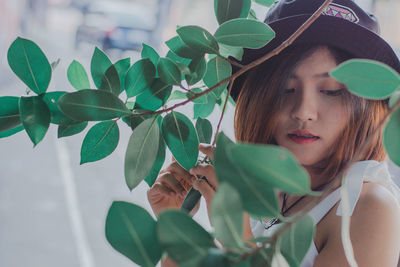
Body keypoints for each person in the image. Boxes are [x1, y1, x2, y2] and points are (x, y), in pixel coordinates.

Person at [147, 0, 400, 266]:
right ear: (260, 99)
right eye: (286, 89)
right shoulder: (269, 192)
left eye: (330, 91)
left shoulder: (369, 208)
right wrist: (176, 226)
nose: (304, 111)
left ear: (366, 103)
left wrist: (236, 236)